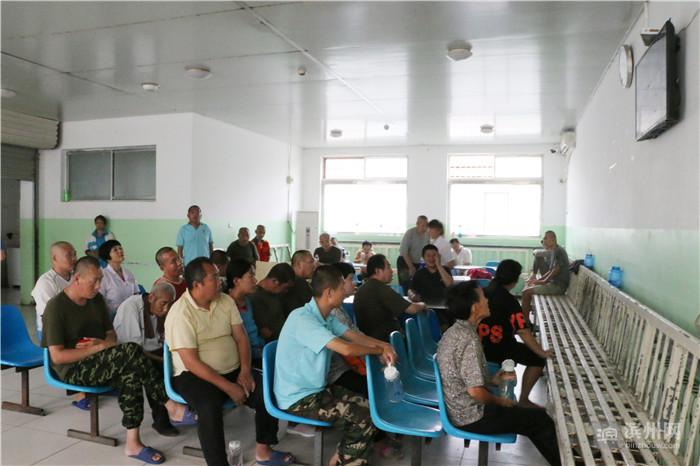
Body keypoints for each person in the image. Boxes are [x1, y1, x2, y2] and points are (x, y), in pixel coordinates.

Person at [43, 256, 189, 464]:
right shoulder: (56, 307)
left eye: (100, 280)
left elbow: (111, 336)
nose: (98, 286)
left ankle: (133, 443)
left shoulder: (96, 300)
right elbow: (57, 356)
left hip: (101, 360)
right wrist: (98, 347)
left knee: (132, 372)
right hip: (73, 369)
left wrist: (103, 344)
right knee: (131, 350)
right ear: (77, 279)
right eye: (94, 281)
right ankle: (170, 405)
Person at [166, 257, 291, 466]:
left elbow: (241, 337)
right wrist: (229, 387)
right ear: (197, 285)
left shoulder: (224, 301)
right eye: (214, 277)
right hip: (194, 375)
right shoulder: (181, 313)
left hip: (232, 369)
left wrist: (245, 371)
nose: (220, 281)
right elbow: (191, 362)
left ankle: (264, 450)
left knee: (265, 389)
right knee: (208, 406)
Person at [274, 265, 397, 466]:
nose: (346, 290)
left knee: (371, 407)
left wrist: (385, 346)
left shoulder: (325, 316)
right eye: (342, 287)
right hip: (299, 398)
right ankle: (344, 460)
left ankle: (342, 458)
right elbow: (346, 349)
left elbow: (354, 336)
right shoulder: (303, 320)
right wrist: (378, 351)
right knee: (364, 419)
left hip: (317, 390)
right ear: (329, 292)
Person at [436, 281, 561, 466]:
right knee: (540, 421)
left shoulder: (456, 330)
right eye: (483, 297)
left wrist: (492, 380)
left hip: (460, 410)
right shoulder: (469, 339)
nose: (487, 300)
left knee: (534, 419)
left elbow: (464, 377)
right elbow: (475, 392)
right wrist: (501, 401)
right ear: (474, 307)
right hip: (471, 416)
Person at [113, 282, 196, 435]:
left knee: (184, 361)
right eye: (163, 303)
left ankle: (190, 407)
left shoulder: (160, 310)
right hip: (130, 356)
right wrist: (162, 360)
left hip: (153, 350)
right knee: (156, 370)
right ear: (151, 297)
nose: (166, 309)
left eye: (169, 304)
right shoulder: (131, 308)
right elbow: (134, 349)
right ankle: (161, 420)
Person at [481, 260, 553, 408]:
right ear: (514, 280)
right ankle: (524, 399)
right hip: (500, 350)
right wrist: (541, 352)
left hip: (478, 346)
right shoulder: (509, 300)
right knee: (538, 360)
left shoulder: (482, 292)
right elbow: (523, 332)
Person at [354, 254, 426, 342]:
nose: (391, 271)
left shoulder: (362, 288)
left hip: (369, 339)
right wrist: (423, 304)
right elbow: (412, 309)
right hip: (388, 340)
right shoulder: (380, 288)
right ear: (377, 271)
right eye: (388, 267)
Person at [327, 262, 368, 398]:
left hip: (348, 366)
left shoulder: (338, 308)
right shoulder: (332, 312)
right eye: (351, 279)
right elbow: (349, 346)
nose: (354, 283)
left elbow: (355, 334)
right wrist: (377, 351)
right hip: (338, 372)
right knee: (373, 387)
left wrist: (381, 347)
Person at [32, 241, 77, 336]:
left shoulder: (76, 277)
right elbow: (48, 315)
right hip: (51, 331)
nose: (74, 258)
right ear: (55, 258)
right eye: (69, 255)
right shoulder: (46, 282)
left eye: (74, 254)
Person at [521, 231, 570, 318]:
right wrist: (539, 280)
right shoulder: (555, 250)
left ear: (553, 239)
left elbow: (556, 270)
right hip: (553, 284)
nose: (543, 240)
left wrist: (543, 281)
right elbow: (551, 270)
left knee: (525, 292)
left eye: (546, 238)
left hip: (558, 287)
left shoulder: (559, 251)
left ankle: (526, 322)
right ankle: (527, 318)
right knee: (527, 288)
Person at [226, 259, 265, 366]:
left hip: (259, 351)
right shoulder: (226, 305)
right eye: (251, 276)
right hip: (245, 358)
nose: (255, 280)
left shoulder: (247, 301)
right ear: (236, 281)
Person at [251, 263, 295, 341]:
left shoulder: (276, 293)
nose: (286, 291)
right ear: (275, 281)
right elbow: (266, 333)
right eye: (285, 287)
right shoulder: (256, 298)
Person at [98, 239, 139, 318]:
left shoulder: (128, 273)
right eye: (115, 250)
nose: (120, 251)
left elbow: (136, 294)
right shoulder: (103, 275)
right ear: (107, 255)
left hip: (131, 315)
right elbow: (100, 300)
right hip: (112, 318)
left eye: (120, 248)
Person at [397, 215, 429, 293]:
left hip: (417, 263)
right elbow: (404, 252)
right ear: (417, 224)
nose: (425, 228)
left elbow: (426, 251)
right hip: (404, 262)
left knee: (417, 286)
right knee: (407, 286)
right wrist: (411, 267)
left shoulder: (427, 235)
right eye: (423, 225)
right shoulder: (410, 233)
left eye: (426, 225)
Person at [283, 250, 314, 318]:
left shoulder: (287, 278)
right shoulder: (299, 283)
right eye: (311, 262)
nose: (314, 266)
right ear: (299, 264)